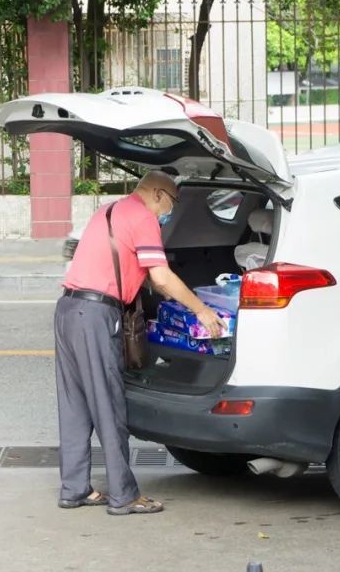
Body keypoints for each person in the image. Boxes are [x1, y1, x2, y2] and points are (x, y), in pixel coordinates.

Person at [53, 170, 227, 515]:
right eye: (172, 203)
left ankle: (74, 489)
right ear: (159, 194)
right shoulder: (144, 218)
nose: (169, 212)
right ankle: (124, 495)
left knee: (74, 405)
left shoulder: (107, 210)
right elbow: (160, 277)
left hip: (67, 309)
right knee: (108, 404)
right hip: (96, 315)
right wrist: (202, 309)